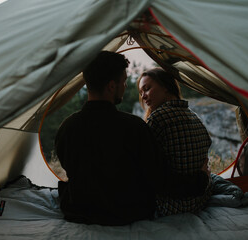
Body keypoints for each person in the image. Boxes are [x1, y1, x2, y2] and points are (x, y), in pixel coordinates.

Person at [55, 52, 208, 225]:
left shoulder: (66, 128)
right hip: (126, 213)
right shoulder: (135, 128)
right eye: (124, 81)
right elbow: (161, 181)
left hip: (77, 209)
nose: (126, 87)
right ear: (112, 86)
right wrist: (201, 180)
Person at [137, 67, 212, 216]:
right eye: (141, 93)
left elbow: (146, 170)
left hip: (171, 206)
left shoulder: (158, 118)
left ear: (165, 86)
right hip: (201, 200)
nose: (144, 96)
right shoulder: (194, 116)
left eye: (147, 89)